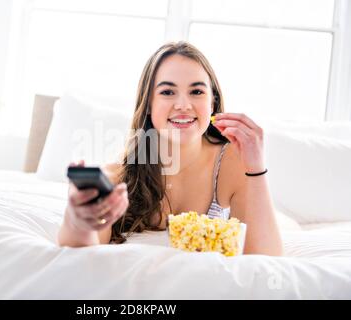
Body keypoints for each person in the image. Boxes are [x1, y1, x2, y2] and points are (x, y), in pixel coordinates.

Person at [57, 41, 283, 256]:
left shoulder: (233, 161)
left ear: (212, 102)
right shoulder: (119, 177)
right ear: (148, 105)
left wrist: (256, 169)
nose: (183, 105)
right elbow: (84, 251)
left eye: (196, 92)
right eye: (167, 92)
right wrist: (78, 219)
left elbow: (265, 258)